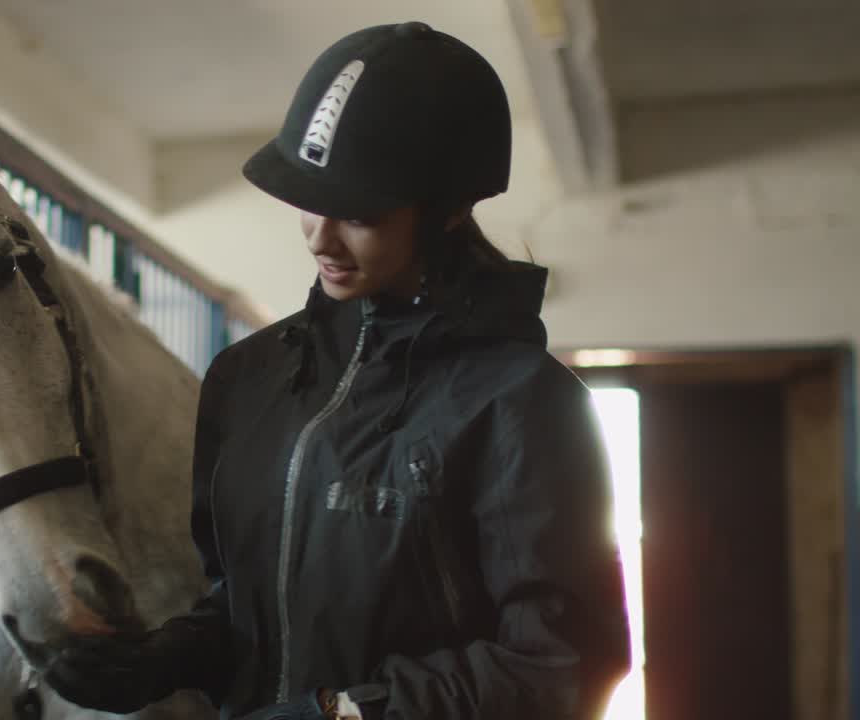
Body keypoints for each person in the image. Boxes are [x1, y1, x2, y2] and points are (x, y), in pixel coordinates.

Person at [44, 21, 631, 720]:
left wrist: (340, 712)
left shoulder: (520, 401)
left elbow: (561, 667)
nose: (320, 238)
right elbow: (248, 601)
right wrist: (168, 657)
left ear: (447, 211)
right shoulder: (246, 378)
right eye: (309, 201)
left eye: (358, 214)